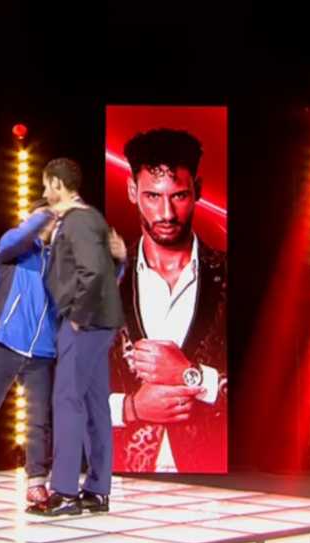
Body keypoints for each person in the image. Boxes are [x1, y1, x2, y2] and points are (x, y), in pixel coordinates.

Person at [0, 199, 127, 505]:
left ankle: (36, 482)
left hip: (43, 353)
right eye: (46, 217)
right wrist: (47, 213)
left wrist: (120, 262)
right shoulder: (14, 249)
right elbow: (19, 237)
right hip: (3, 342)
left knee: (38, 422)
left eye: (55, 219)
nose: (51, 223)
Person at [109, 128, 226, 473]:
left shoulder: (228, 277)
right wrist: (131, 408)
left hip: (214, 476)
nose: (166, 213)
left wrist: (191, 376)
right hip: (124, 476)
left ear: (197, 191)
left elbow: (271, 396)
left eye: (178, 196)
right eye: (152, 196)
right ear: (132, 191)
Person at [28, 158, 123, 516]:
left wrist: (78, 316)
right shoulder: (89, 218)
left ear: (57, 183)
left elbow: (93, 271)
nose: (44, 191)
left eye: (46, 184)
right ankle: (97, 490)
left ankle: (66, 492)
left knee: (67, 400)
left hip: (85, 323)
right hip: (99, 323)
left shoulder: (78, 219)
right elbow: (106, 265)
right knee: (95, 404)